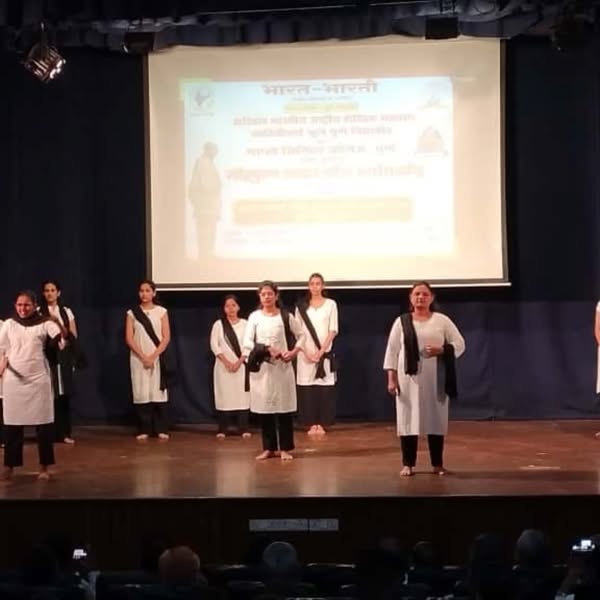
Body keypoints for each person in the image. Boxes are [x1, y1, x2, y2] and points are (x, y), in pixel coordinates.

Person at [383, 281, 465, 476]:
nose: (420, 297)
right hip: (408, 380)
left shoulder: (442, 321)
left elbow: (459, 343)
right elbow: (392, 351)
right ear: (411, 298)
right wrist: (391, 379)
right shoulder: (402, 322)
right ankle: (408, 464)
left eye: (425, 294)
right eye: (417, 294)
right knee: (408, 421)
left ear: (432, 298)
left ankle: (437, 464)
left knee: (435, 420)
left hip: (436, 379)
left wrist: (441, 350)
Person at [0, 290, 63, 481]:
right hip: (14, 380)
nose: (22, 308)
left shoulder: (44, 323)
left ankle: (44, 467)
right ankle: (10, 466)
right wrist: (1, 368)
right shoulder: (9, 324)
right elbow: (2, 349)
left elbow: (61, 340)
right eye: (19, 304)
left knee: (43, 425)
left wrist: (58, 325)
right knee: (12, 425)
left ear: (35, 306)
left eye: (27, 305)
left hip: (38, 379)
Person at [243, 281, 303, 461]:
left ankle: (284, 448)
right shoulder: (254, 317)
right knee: (265, 410)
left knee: (284, 410)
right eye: (263, 294)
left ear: (276, 296)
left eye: (270, 294)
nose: (267, 297)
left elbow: (302, 335)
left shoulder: (285, 316)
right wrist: (267, 349)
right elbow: (247, 342)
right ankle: (269, 448)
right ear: (259, 297)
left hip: (282, 368)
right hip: (263, 369)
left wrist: (293, 352)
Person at [125, 280, 171, 441]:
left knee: (157, 393)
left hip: (157, 357)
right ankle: (144, 429)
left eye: (147, 290)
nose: (144, 294)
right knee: (142, 392)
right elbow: (129, 338)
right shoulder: (132, 313)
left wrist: (153, 356)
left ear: (154, 292)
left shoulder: (162, 312)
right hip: (138, 358)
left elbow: (166, 337)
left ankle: (161, 428)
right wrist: (143, 356)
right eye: (141, 291)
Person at [295, 273, 338, 435]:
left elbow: (333, 330)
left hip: (324, 353)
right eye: (312, 284)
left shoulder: (331, 304)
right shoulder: (301, 306)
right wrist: (307, 352)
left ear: (323, 286)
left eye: (318, 283)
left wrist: (321, 351)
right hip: (305, 354)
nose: (315, 287)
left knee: (324, 389)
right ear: (308, 286)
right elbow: (298, 331)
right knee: (307, 390)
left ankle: (322, 423)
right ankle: (310, 423)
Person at [39, 280, 80, 444]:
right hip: (48, 357)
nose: (49, 293)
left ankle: (64, 433)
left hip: (64, 357)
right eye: (46, 290)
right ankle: (49, 433)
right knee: (49, 396)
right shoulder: (39, 312)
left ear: (58, 292)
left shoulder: (66, 311)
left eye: (52, 290)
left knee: (64, 395)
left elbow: (73, 334)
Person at [210, 294, 251, 438]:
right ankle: (223, 428)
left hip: (241, 365)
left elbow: (249, 345)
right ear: (224, 308)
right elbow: (214, 345)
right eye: (227, 306)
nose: (231, 308)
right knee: (224, 396)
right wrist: (226, 362)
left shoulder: (246, 324)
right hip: (223, 366)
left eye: (233, 305)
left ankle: (243, 428)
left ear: (238, 307)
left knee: (242, 397)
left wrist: (239, 362)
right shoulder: (218, 325)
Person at [188, 142, 221, 257]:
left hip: (209, 205)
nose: (216, 152)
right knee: (205, 231)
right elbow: (207, 184)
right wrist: (217, 187)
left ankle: (208, 254)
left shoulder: (208, 163)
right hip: (205, 204)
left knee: (210, 230)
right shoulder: (203, 163)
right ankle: (205, 255)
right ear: (208, 150)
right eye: (214, 150)